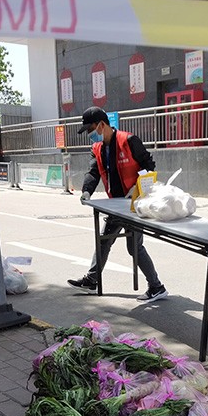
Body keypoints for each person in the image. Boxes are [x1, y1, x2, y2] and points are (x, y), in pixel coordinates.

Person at [67, 106, 167, 303]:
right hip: (115, 205)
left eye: (91, 129)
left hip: (134, 204)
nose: (90, 134)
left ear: (102, 125)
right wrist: (86, 190)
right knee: (104, 240)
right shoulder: (97, 148)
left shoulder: (128, 141)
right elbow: (94, 173)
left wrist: (137, 188)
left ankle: (157, 286)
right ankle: (92, 280)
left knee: (134, 247)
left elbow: (149, 165)